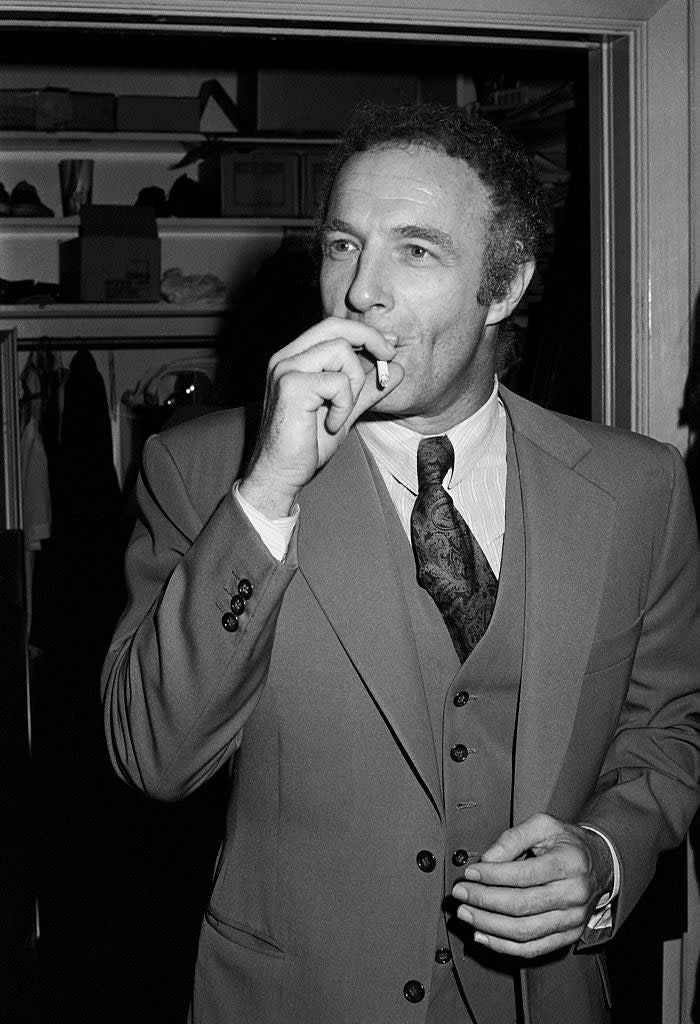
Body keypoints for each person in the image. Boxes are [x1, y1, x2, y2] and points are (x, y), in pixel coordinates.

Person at [101, 103, 700, 1024]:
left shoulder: (638, 489)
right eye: (344, 246)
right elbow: (153, 755)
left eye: (416, 251)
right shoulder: (202, 471)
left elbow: (666, 731)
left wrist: (606, 859)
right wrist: (267, 493)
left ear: (503, 288)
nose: (361, 292)